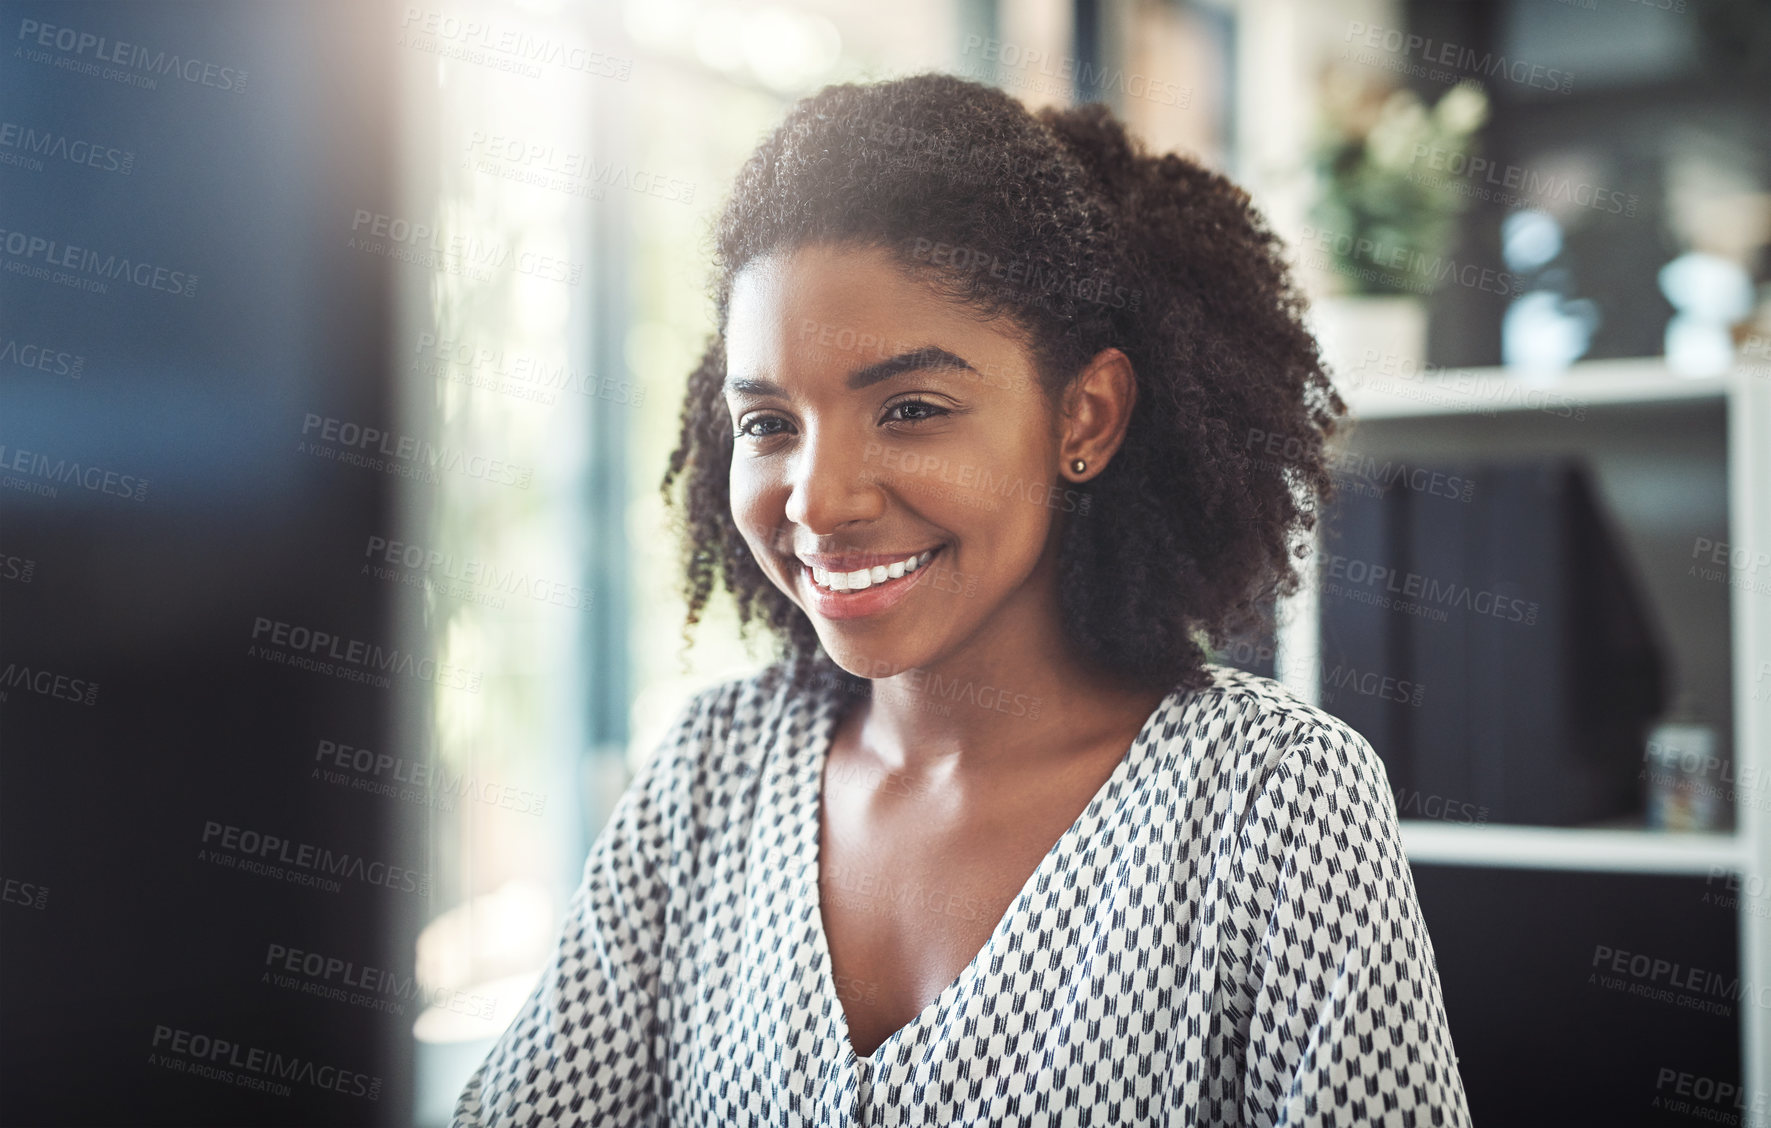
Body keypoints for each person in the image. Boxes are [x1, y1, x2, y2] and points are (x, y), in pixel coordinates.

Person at [454, 72, 1471, 1126]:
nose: (819, 499)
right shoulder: (711, 770)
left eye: (909, 408)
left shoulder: (1278, 802)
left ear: (1086, 418)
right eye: (768, 423)